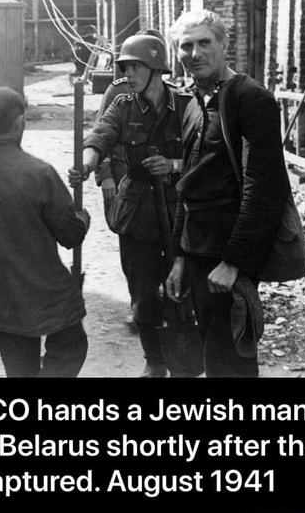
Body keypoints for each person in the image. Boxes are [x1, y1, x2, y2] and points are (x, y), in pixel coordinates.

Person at [165, 10, 290, 377]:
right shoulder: (194, 103)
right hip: (199, 253)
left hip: (230, 257)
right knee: (213, 358)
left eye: (205, 42)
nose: (195, 53)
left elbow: (265, 190)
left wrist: (235, 263)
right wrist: (179, 256)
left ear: (224, 45)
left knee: (230, 364)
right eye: (186, 46)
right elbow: (188, 187)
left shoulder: (250, 100)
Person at [68, 32, 192, 377]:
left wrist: (175, 165)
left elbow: (206, 156)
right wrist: (88, 164)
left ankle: (185, 356)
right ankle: (155, 362)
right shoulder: (122, 106)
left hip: (179, 210)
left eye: (134, 67)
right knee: (142, 292)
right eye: (124, 67)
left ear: (155, 68)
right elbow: (99, 137)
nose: (127, 74)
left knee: (183, 287)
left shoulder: (186, 105)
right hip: (138, 213)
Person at [0, 86, 90, 378]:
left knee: (19, 369)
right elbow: (70, 235)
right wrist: (83, 218)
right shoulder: (39, 172)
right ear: (20, 122)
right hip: (46, 292)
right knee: (71, 346)